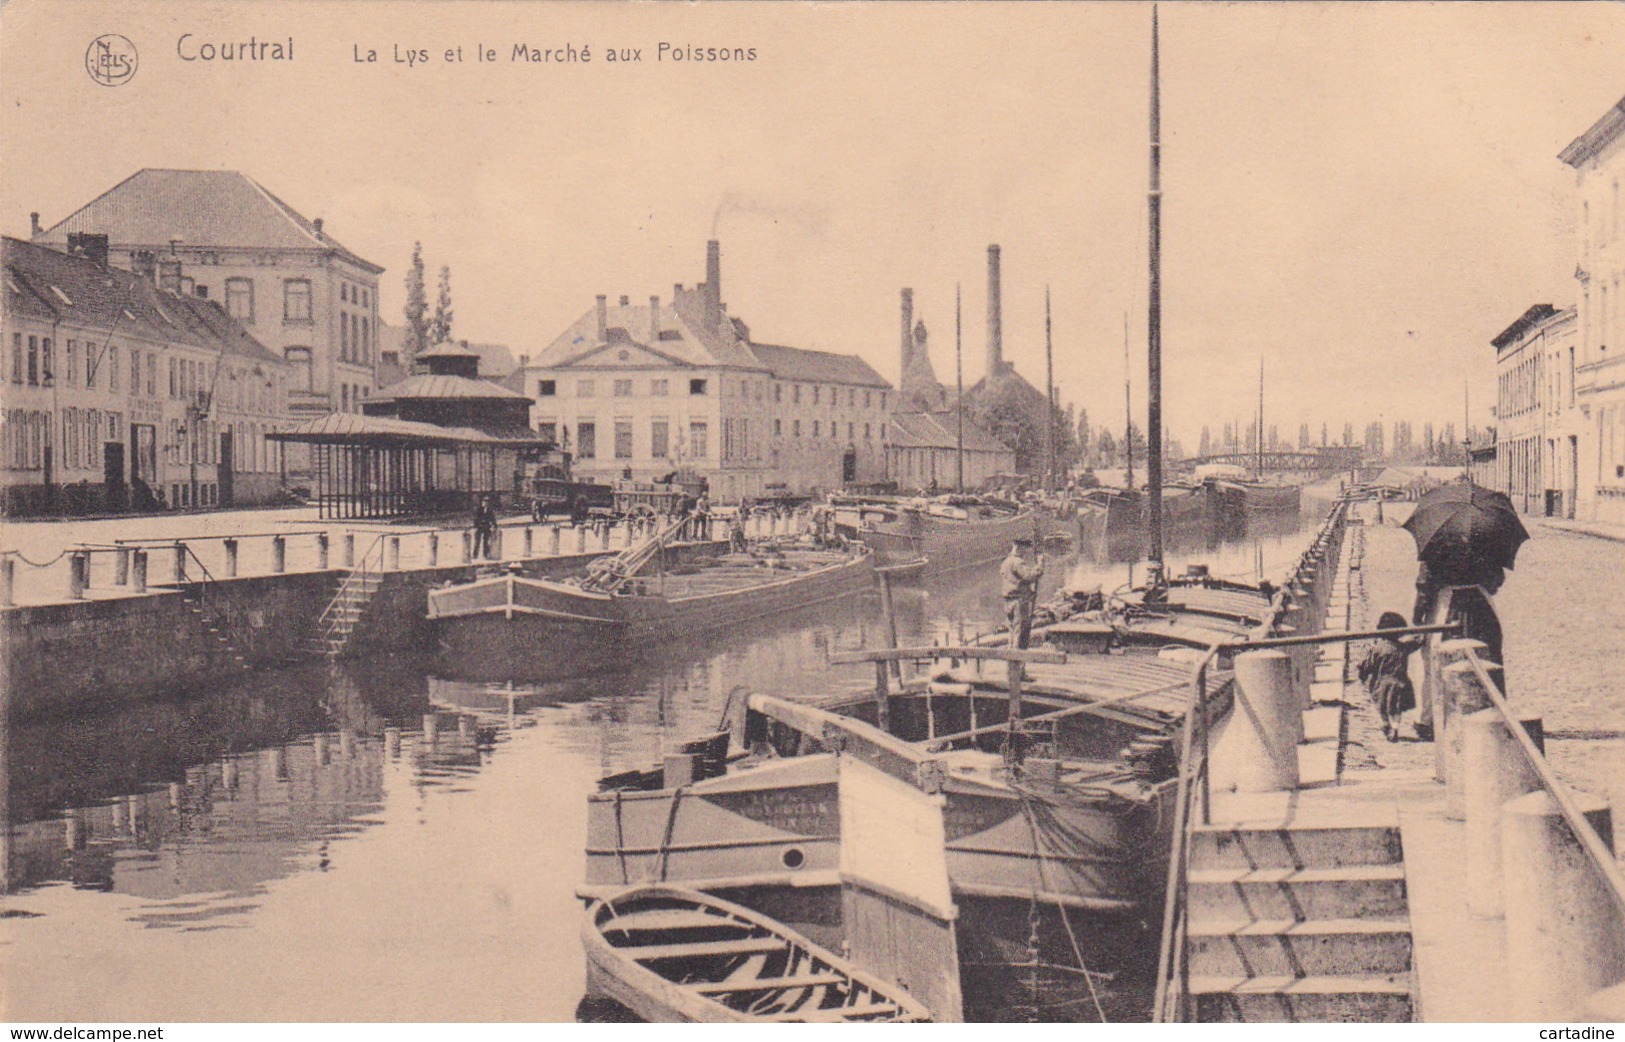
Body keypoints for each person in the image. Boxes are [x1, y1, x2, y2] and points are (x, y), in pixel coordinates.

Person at [1358, 611, 1424, 742]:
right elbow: (1416, 643)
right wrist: (1421, 636)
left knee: (1382, 706)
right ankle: (1395, 727)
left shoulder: (1378, 648)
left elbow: (1368, 664)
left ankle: (1385, 723)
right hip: (1400, 682)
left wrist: (1363, 673)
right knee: (1395, 708)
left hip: (1382, 684)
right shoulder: (1402, 647)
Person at [999, 538, 1045, 649]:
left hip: (1008, 601)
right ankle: (1018, 658)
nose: (1024, 553)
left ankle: (1011, 656)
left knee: (1012, 630)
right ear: (1019, 548)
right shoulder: (1017, 562)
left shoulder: (1005, 562)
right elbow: (1029, 576)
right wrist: (1040, 564)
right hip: (1018, 602)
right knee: (1020, 630)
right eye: (1024, 550)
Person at [472, 495, 498, 559]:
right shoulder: (479, 510)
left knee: (486, 542)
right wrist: (475, 526)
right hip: (479, 527)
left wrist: (495, 526)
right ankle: (475, 555)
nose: (485, 503)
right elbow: (476, 518)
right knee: (477, 542)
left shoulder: (490, 511)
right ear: (482, 503)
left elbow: (492, 519)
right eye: (484, 502)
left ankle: (485, 554)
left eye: (487, 502)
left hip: (486, 527)